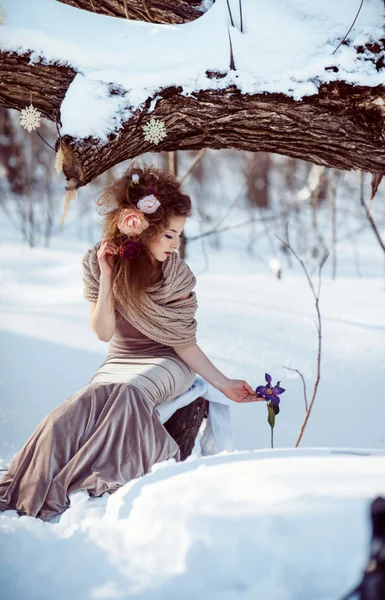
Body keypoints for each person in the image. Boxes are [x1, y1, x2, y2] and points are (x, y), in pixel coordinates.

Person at [0, 165, 262, 522]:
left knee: (127, 394)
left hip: (169, 361)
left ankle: (90, 478)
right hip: (120, 357)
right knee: (75, 407)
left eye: (179, 236)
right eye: (169, 235)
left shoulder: (176, 276)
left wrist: (224, 383)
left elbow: (184, 343)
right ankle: (36, 483)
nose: (176, 245)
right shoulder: (98, 263)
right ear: (142, 230)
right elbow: (103, 332)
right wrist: (108, 277)